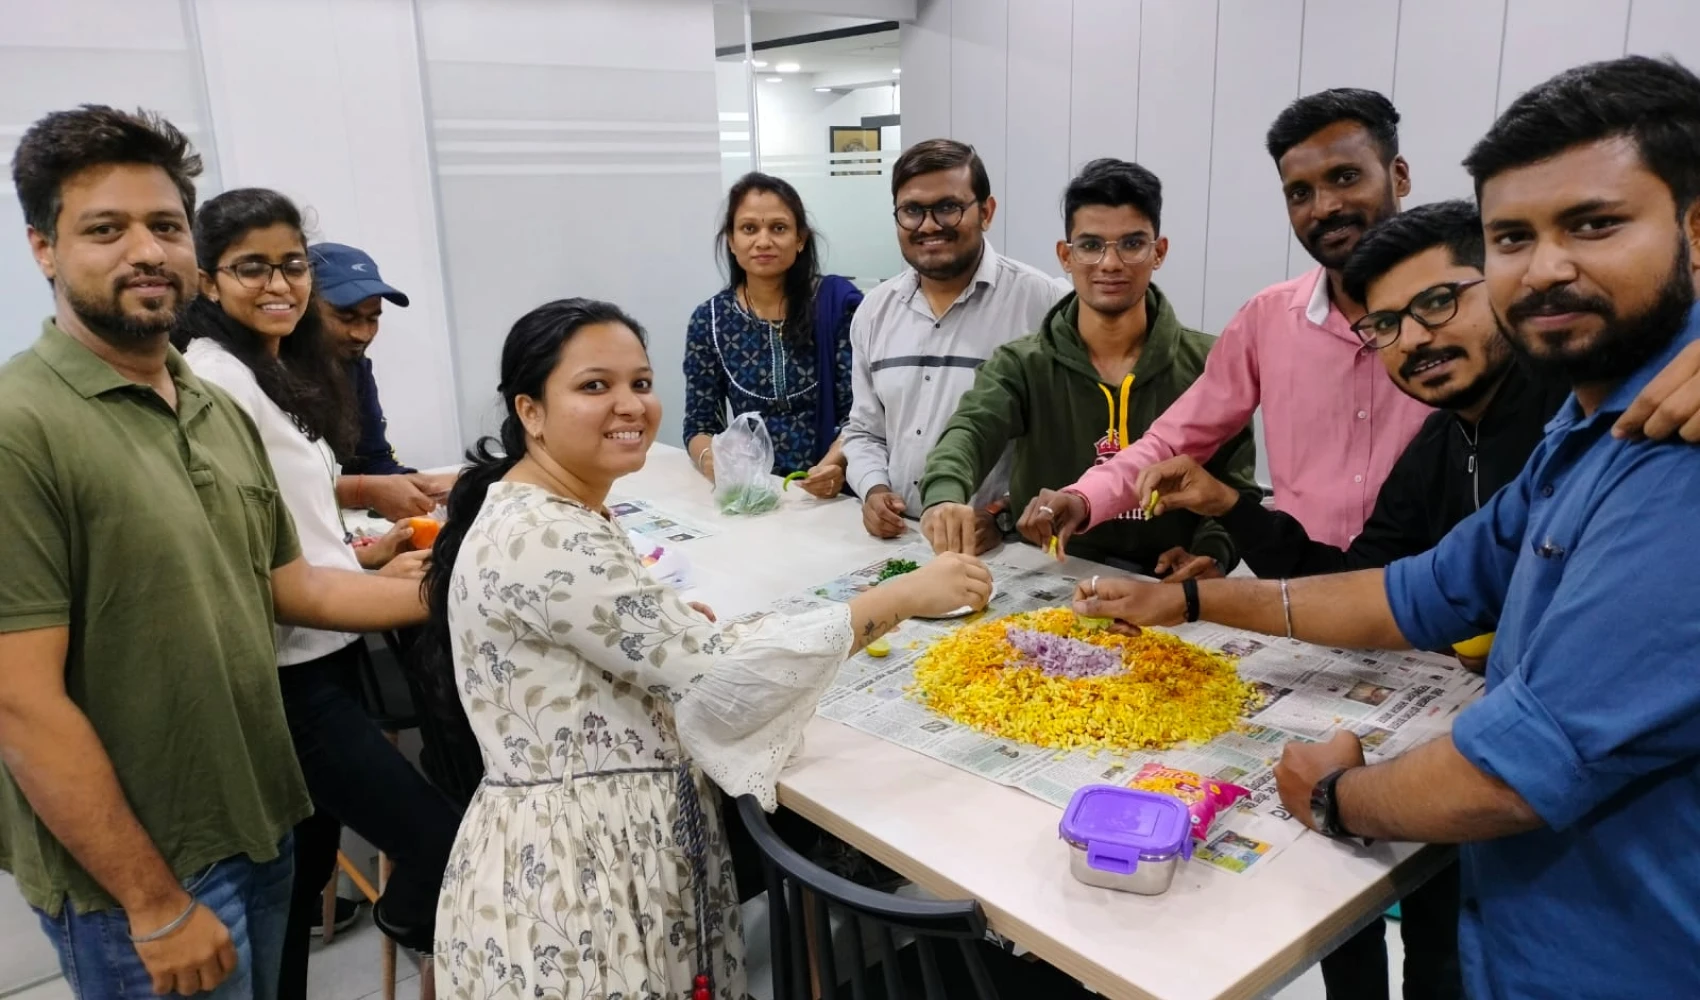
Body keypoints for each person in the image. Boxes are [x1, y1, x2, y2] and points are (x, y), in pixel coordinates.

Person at [1070, 55, 1700, 998]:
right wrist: (1193, 600)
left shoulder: (1676, 454)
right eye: (1514, 237)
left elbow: (1513, 773)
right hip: (1519, 926)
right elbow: (1409, 587)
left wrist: (1334, 795)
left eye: (1595, 224)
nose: (1546, 269)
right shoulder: (1578, 436)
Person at [421, 297, 991, 999]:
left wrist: (665, 629)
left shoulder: (554, 509)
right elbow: (724, 681)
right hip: (580, 881)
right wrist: (899, 599)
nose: (630, 404)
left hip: (596, 845)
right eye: (595, 386)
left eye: (640, 382)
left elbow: (634, 647)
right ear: (530, 411)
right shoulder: (550, 536)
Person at [0, 105, 427, 1000]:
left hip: (260, 821)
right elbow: (21, 704)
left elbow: (295, 586)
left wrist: (479, 577)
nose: (145, 251)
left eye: (164, 226)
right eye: (105, 230)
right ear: (44, 248)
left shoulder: (208, 404)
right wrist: (154, 903)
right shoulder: (20, 428)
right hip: (149, 876)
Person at [175, 189, 462, 999]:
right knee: (441, 844)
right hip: (288, 675)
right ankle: (409, 923)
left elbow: (282, 516)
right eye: (252, 267)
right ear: (207, 280)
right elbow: (263, 574)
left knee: (300, 878)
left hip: (326, 651)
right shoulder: (215, 381)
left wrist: (365, 562)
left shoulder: (269, 368)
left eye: (292, 264)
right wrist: (455, 584)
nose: (279, 284)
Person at [1028, 89, 1431, 558]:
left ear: (1399, 176)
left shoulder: (1465, 314)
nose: (1324, 207)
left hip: (1438, 594)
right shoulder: (1268, 319)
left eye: (1346, 177)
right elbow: (1173, 439)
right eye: (1300, 193)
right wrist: (1084, 498)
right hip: (1301, 588)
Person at [920, 158, 1258, 576]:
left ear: (1159, 252)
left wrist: (1212, 552)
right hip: (1048, 571)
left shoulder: (1209, 363)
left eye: (1132, 244)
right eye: (1091, 245)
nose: (1110, 263)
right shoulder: (1021, 364)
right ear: (1065, 255)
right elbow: (970, 431)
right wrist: (944, 496)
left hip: (1164, 584)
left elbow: (1236, 485)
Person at [841, 138, 1063, 543]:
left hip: (1005, 549)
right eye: (912, 210)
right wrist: (872, 489)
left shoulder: (1043, 304)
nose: (928, 225)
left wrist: (1003, 515)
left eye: (948, 207)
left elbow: (1069, 441)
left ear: (987, 212)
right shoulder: (874, 311)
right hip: (900, 540)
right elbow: (865, 431)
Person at [683, 172, 862, 498]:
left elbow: (861, 413)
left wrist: (833, 465)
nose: (763, 241)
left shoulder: (836, 307)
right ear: (731, 240)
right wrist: (714, 462)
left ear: (800, 238)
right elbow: (699, 424)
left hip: (839, 487)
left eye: (778, 228)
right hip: (754, 493)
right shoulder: (709, 320)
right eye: (749, 229)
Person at [309, 241, 456, 519]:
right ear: (305, 306)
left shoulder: (355, 369)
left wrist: (425, 486)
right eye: (347, 317)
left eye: (372, 319)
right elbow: (279, 484)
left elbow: (371, 460)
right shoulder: (266, 377)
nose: (362, 334)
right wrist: (363, 491)